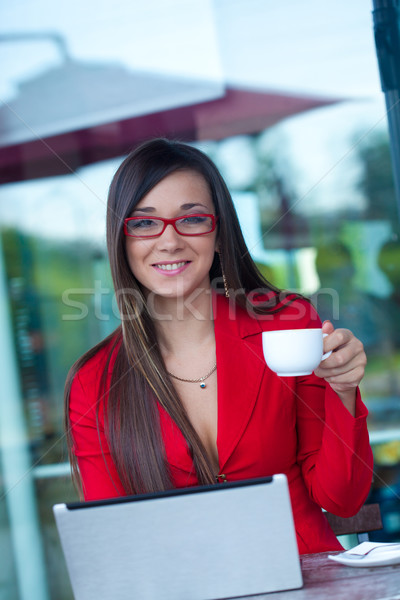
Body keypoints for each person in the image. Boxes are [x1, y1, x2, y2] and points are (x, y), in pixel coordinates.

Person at [65, 138, 373, 555]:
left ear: (219, 230)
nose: (169, 241)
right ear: (122, 239)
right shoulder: (93, 381)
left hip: (309, 581)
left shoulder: (287, 325)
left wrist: (343, 392)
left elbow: (341, 498)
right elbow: (115, 544)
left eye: (191, 220)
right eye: (143, 223)